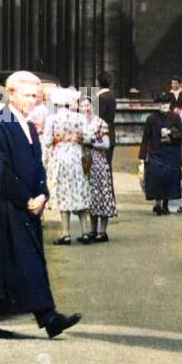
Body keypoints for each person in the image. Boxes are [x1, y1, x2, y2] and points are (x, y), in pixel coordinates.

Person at [0, 70, 82, 340]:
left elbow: (36, 166)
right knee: (8, 264)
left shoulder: (28, 125)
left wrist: (43, 193)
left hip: (25, 207)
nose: (34, 101)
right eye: (29, 95)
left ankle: (47, 316)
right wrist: (26, 198)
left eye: (37, 96)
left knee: (26, 261)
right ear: (11, 94)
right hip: (3, 208)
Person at [43, 88, 91, 244]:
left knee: (63, 194)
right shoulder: (80, 118)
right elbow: (88, 138)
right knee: (79, 191)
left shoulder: (52, 119)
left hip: (60, 158)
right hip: (77, 157)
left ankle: (66, 233)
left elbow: (47, 141)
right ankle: (85, 232)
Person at [139, 91, 182, 215]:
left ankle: (165, 205)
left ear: (170, 104)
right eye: (162, 103)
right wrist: (142, 157)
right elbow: (145, 138)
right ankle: (158, 203)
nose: (164, 105)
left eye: (167, 103)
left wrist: (170, 132)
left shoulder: (175, 117)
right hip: (156, 151)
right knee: (156, 178)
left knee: (168, 179)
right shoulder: (152, 118)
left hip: (171, 152)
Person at [79, 95, 116, 242]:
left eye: (87, 106)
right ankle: (93, 230)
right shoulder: (79, 123)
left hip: (98, 161)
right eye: (82, 107)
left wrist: (93, 142)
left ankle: (103, 231)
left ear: (93, 106)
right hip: (84, 162)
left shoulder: (100, 123)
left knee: (102, 194)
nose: (85, 109)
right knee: (90, 196)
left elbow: (106, 144)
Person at [94, 72, 118, 166]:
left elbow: (98, 117)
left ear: (98, 82)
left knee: (103, 165)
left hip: (102, 134)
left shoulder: (101, 98)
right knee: (108, 164)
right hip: (110, 133)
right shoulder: (111, 96)